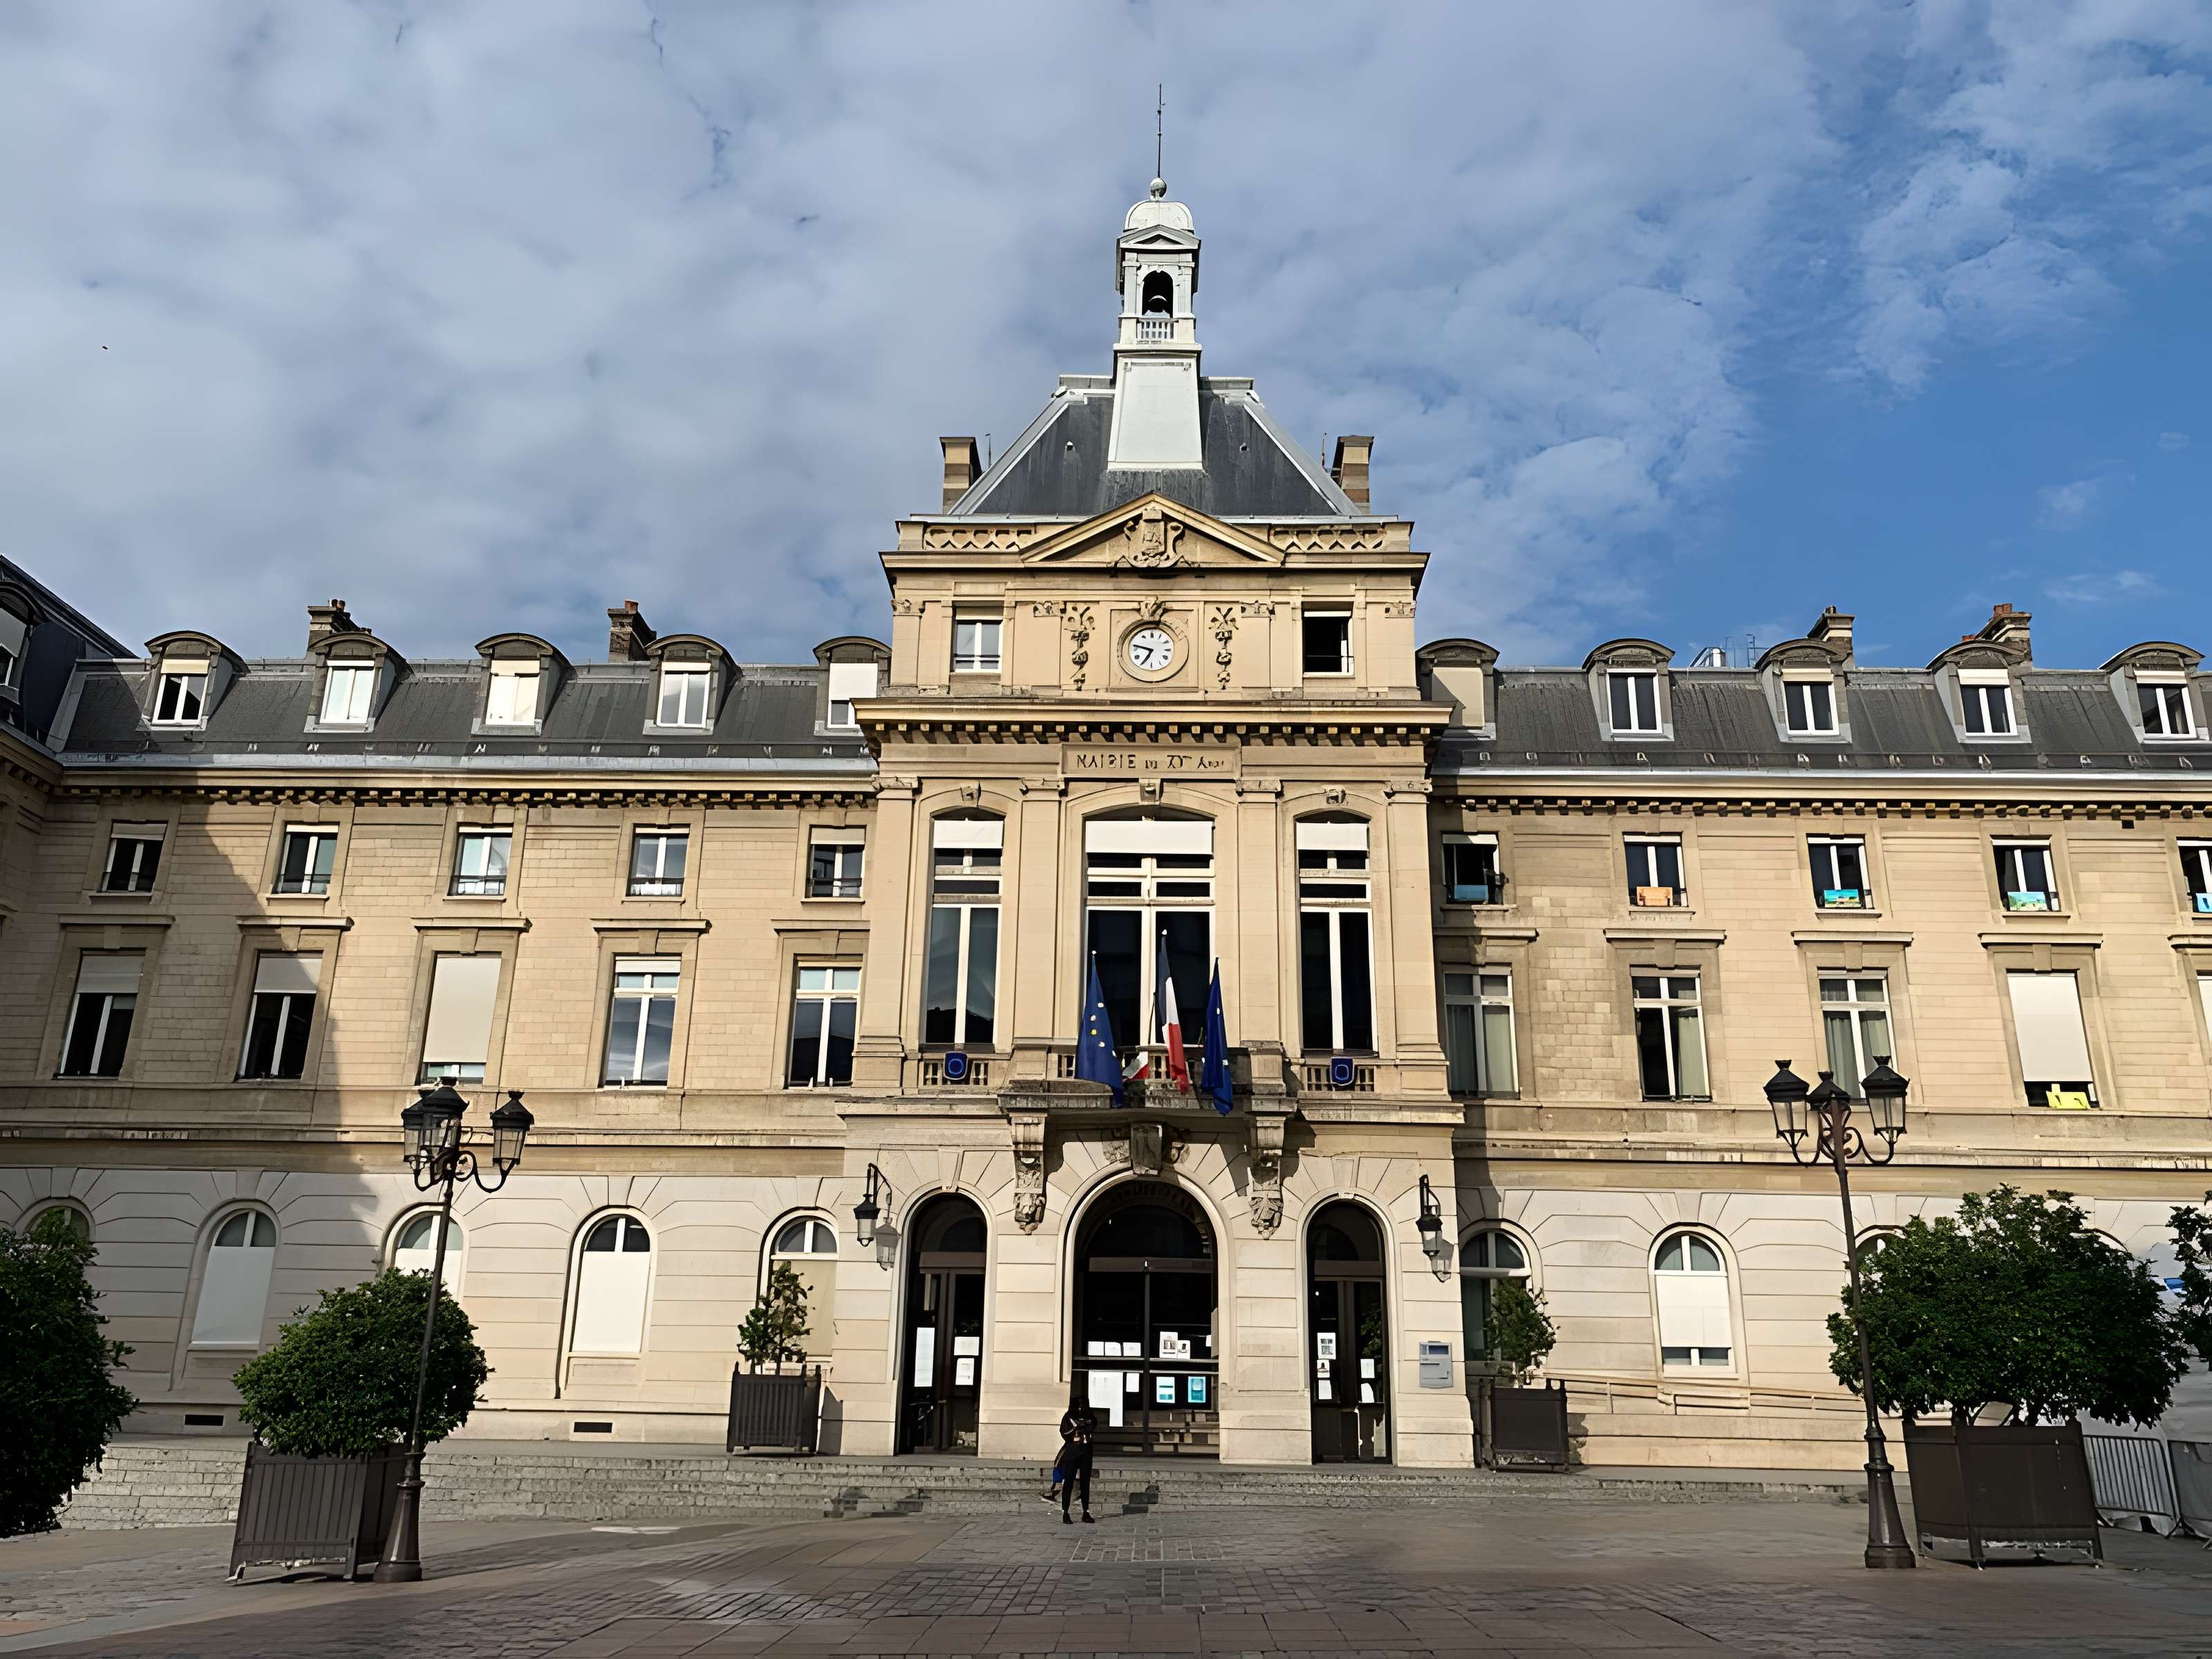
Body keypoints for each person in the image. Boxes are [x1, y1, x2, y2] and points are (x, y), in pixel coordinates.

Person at [1056, 1401, 1097, 1524]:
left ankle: (1086, 1512)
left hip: (1086, 1451)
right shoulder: (1068, 1416)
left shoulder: (1089, 1415)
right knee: (1069, 1482)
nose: (1080, 1408)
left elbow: (1092, 1425)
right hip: (1073, 1451)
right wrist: (1076, 1427)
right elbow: (1064, 1432)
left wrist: (1085, 1424)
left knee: (1085, 1482)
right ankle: (1065, 1512)